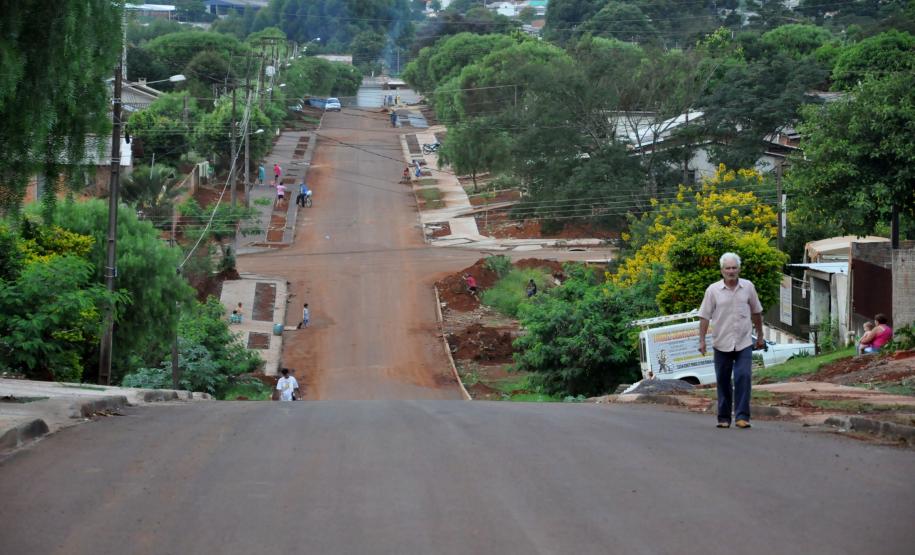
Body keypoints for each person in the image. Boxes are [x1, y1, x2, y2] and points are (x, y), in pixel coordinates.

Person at [698, 252, 765, 430]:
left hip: (743, 341)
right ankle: (724, 417)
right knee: (723, 380)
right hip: (721, 342)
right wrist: (702, 341)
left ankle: (742, 416)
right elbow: (704, 316)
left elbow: (757, 312)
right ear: (722, 270)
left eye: (734, 267)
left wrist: (760, 336)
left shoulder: (748, 287)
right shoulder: (712, 290)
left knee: (743, 376)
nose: (731, 271)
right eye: (727, 268)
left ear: (739, 269)